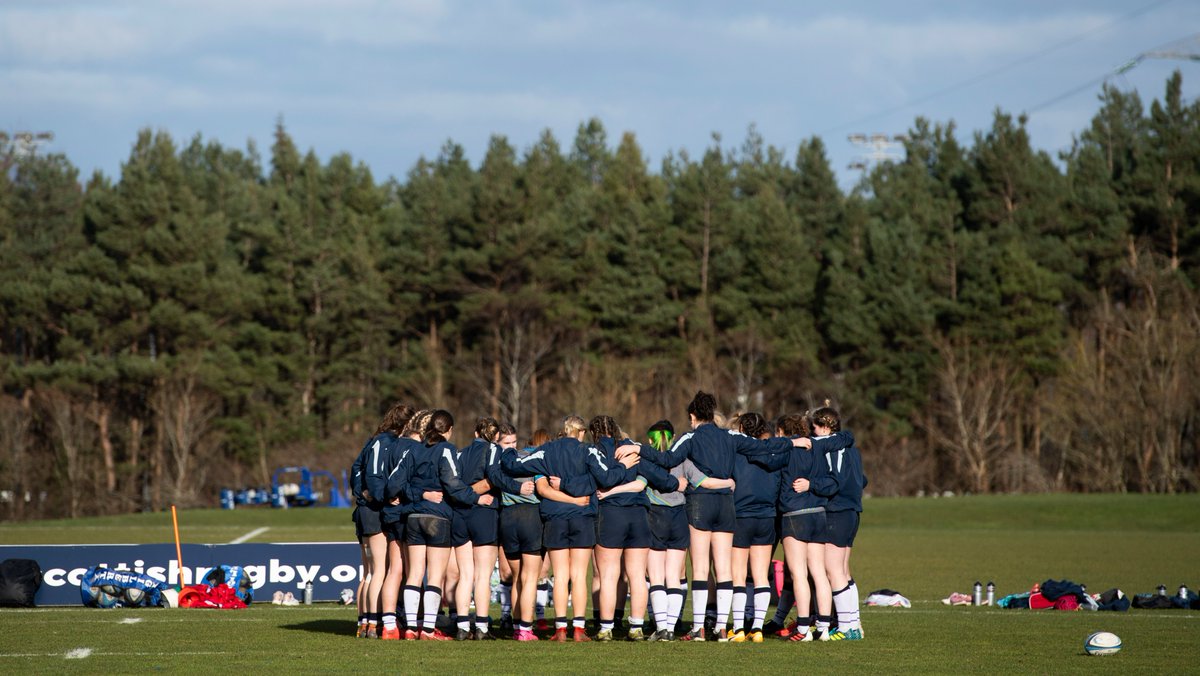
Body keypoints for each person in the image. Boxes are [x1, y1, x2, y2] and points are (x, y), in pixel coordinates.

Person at [641, 391, 803, 641]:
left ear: (693, 416)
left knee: (701, 568)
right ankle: (721, 628)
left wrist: (638, 448)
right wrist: (792, 443)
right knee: (724, 569)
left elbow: (667, 458)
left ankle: (698, 628)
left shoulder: (690, 437)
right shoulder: (730, 436)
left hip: (700, 503)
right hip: (726, 504)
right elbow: (763, 445)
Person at [501, 415, 640, 641]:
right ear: (581, 432)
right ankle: (578, 629)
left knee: (561, 575)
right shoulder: (589, 451)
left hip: (555, 518)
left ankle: (560, 629)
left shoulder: (547, 450)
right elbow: (607, 478)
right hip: (582, 517)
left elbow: (514, 466)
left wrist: (508, 451)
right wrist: (623, 466)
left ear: (565, 430)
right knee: (578, 576)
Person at [588, 415, 678, 641]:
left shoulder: (594, 451)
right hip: (638, 516)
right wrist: (675, 483)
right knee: (637, 575)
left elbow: (597, 479)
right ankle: (636, 627)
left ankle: (606, 629)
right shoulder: (632, 449)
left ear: (594, 433)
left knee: (608, 575)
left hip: (610, 515)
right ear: (616, 430)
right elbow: (663, 479)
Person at [798, 406, 865, 641]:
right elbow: (862, 479)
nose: (813, 433)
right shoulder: (852, 449)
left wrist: (811, 485)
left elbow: (834, 482)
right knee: (843, 571)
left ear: (826, 427)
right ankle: (854, 624)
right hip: (852, 511)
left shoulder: (833, 448)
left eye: (815, 427)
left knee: (833, 570)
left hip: (837, 511)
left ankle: (846, 627)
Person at [349, 403, 415, 639]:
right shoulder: (387, 442)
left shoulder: (373, 440)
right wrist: (381, 496)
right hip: (375, 511)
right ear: (406, 423)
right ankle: (374, 623)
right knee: (379, 571)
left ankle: (363, 623)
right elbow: (375, 476)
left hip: (363, 510)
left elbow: (356, 469)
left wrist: (360, 494)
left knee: (368, 573)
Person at [399, 409, 465, 641]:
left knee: (414, 574)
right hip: (437, 518)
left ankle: (410, 628)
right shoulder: (447, 449)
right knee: (435, 577)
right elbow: (453, 484)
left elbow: (399, 484)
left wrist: (420, 494)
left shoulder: (415, 449)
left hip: (413, 517)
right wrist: (475, 498)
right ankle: (427, 630)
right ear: (450, 430)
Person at [368, 407, 431, 640]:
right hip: (407, 513)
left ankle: (389, 626)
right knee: (415, 572)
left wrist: (385, 496)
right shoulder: (417, 449)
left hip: (390, 514)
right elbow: (404, 481)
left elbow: (378, 476)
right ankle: (417, 625)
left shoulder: (389, 445)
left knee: (394, 570)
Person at [726, 412, 784, 643]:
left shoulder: (736, 452)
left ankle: (739, 628)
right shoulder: (774, 454)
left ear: (741, 428)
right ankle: (757, 628)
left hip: (741, 516)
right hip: (766, 517)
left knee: (739, 576)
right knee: (761, 576)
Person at [444, 417, 503, 640]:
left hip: (460, 514)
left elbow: (454, 485)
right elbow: (492, 479)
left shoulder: (459, 454)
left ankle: (462, 626)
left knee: (465, 575)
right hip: (484, 513)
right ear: (496, 436)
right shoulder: (494, 450)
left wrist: (466, 493)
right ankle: (482, 628)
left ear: (476, 433)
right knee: (482, 576)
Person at [643, 420, 689, 642]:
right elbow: (698, 481)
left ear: (650, 439)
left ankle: (661, 627)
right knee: (674, 576)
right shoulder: (683, 458)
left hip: (656, 515)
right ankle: (670, 628)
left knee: (656, 576)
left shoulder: (647, 459)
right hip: (679, 516)